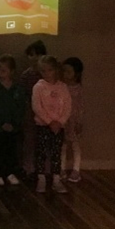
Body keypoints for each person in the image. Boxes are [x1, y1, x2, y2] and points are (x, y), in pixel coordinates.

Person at [32, 55, 72, 193]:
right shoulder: (38, 87)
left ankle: (56, 179)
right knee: (41, 152)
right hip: (43, 125)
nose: (47, 73)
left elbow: (67, 106)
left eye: (49, 70)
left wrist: (60, 122)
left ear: (55, 70)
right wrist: (49, 121)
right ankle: (41, 179)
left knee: (56, 153)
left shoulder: (63, 87)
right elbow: (37, 107)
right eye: (43, 71)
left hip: (59, 127)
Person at [0, 54, 24, 187]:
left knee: (11, 150)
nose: (0, 73)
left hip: (13, 127)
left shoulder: (17, 89)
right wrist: (1, 123)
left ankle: (10, 172)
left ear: (11, 71)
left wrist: (14, 123)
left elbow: (20, 107)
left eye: (4, 70)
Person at [19, 40, 47, 176]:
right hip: (30, 112)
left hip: (46, 113)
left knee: (43, 141)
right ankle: (28, 168)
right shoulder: (26, 75)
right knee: (29, 141)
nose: (35, 58)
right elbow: (22, 95)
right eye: (31, 55)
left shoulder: (47, 75)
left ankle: (42, 169)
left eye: (38, 54)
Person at [61, 57, 85, 183]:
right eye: (64, 71)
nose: (65, 74)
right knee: (62, 145)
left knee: (75, 145)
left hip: (74, 121)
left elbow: (80, 106)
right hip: (63, 120)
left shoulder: (78, 89)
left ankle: (76, 169)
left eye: (68, 72)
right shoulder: (61, 87)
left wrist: (79, 122)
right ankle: (61, 168)